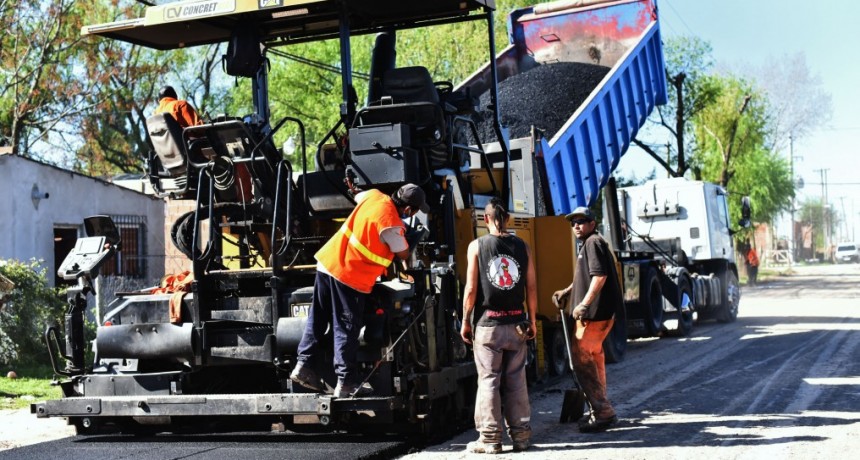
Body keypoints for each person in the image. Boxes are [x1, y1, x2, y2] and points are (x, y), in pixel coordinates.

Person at [290, 184, 429, 398]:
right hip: (349, 275)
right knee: (346, 327)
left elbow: (358, 196)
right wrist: (412, 235)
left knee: (318, 318)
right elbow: (402, 253)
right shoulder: (391, 223)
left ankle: (302, 366)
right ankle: (346, 383)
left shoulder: (374, 196)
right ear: (409, 210)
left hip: (327, 263)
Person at [460, 197, 538, 454]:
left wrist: (465, 321)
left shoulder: (477, 246)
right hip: (517, 322)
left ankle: (491, 439)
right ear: (507, 219)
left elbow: (471, 288)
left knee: (489, 379)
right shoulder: (523, 246)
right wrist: (533, 320)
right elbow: (532, 286)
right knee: (517, 378)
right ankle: (522, 437)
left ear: (486, 219)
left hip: (489, 325)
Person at [552, 206, 622, 433]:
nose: (576, 226)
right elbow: (589, 276)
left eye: (581, 221)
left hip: (593, 316)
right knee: (594, 358)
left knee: (582, 360)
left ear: (592, 223)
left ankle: (602, 412)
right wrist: (569, 291)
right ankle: (601, 409)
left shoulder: (592, 243)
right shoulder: (592, 244)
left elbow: (599, 276)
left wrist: (584, 304)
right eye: (573, 223)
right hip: (599, 315)